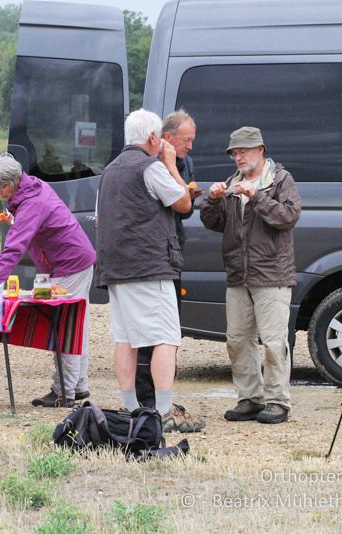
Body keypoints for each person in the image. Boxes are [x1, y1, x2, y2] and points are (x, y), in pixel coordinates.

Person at [199, 127, 300, 424]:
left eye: (243, 151)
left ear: (260, 149)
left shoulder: (281, 180)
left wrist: (257, 197)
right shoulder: (232, 183)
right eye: (234, 152)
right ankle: (250, 398)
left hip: (272, 275)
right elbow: (211, 222)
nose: (238, 156)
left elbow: (288, 217)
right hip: (238, 275)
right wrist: (213, 199)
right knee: (238, 340)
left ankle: (278, 402)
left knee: (273, 342)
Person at [95, 109, 191, 418]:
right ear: (153, 137)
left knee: (125, 338)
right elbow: (183, 202)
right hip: (148, 265)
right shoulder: (150, 168)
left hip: (114, 267)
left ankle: (130, 405)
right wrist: (171, 163)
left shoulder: (109, 170)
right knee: (165, 336)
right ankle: (162, 410)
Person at [0, 154, 96, 408]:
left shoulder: (32, 202)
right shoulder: (32, 188)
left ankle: (63, 391)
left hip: (70, 264)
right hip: (75, 260)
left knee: (65, 326)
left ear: (14, 181)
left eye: (1, 187)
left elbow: (13, 249)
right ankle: (77, 386)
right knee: (77, 324)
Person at [135, 110, 206, 433]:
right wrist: (181, 193)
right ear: (168, 137)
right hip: (151, 255)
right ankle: (147, 400)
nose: (190, 146)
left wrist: (188, 193)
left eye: (192, 140)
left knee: (170, 328)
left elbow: (183, 207)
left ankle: (162, 396)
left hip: (174, 248)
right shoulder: (151, 162)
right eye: (186, 140)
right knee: (150, 331)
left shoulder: (182, 161)